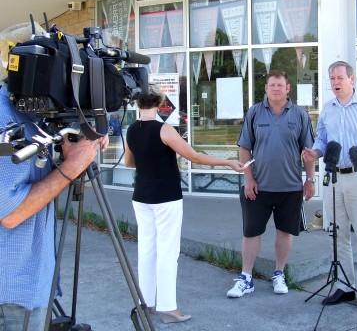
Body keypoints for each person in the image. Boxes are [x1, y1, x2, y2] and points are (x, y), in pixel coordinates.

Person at [0, 22, 108, 330]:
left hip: (31, 283)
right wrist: (72, 166)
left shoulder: (38, 115)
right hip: (11, 292)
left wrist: (79, 138)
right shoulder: (5, 121)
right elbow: (9, 212)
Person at [124, 85, 244, 323]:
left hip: (141, 196)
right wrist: (228, 163)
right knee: (168, 253)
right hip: (166, 197)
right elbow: (194, 157)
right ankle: (168, 308)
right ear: (159, 104)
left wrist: (149, 161)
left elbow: (129, 163)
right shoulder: (164, 129)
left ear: (138, 104)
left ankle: (144, 303)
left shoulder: (132, 130)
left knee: (146, 251)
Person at [302, 60, 357, 310]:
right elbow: (322, 140)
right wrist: (314, 154)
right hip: (333, 178)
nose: (335, 82)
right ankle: (344, 286)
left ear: (352, 80)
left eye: (340, 77)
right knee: (337, 234)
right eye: (331, 78)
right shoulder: (327, 109)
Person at [226, 70, 315, 298]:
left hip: (290, 187)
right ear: (266, 89)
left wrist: (310, 180)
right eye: (271, 85)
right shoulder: (255, 113)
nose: (275, 89)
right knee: (251, 232)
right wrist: (249, 179)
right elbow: (244, 148)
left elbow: (308, 153)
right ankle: (246, 277)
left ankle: (279, 274)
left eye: (279, 85)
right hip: (258, 187)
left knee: (285, 233)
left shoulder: (300, 115)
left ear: (288, 89)